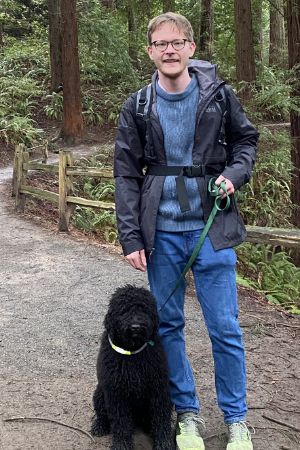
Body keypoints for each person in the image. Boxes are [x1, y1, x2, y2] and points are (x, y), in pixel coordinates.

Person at [114, 11, 258, 450]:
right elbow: (125, 173)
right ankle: (188, 414)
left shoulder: (218, 96)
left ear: (191, 48)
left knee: (225, 329)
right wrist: (131, 236)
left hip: (213, 229)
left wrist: (234, 173)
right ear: (151, 52)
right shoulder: (138, 105)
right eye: (161, 44)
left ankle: (236, 419)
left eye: (177, 42)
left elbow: (246, 142)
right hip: (162, 234)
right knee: (169, 325)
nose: (170, 50)